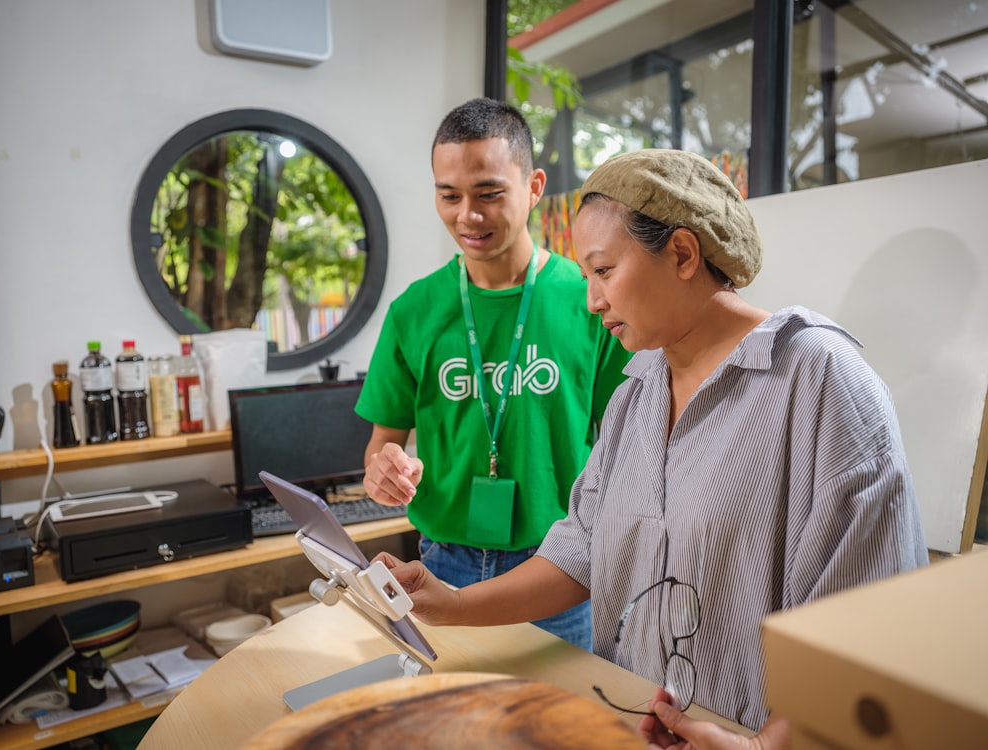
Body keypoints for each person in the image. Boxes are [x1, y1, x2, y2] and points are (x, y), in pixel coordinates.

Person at [372, 148, 929, 746]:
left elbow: (864, 620)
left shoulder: (819, 377)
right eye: (586, 277)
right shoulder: (637, 394)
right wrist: (449, 603)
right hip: (638, 722)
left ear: (683, 254)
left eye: (604, 271)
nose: (591, 300)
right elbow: (581, 550)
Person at [354, 97, 632, 650]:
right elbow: (380, 445)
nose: (468, 216)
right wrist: (382, 470)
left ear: (533, 187)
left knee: (561, 726)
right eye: (449, 195)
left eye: (488, 193)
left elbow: (626, 445)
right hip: (439, 563)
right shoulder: (414, 310)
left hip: (559, 567)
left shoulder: (591, 300)